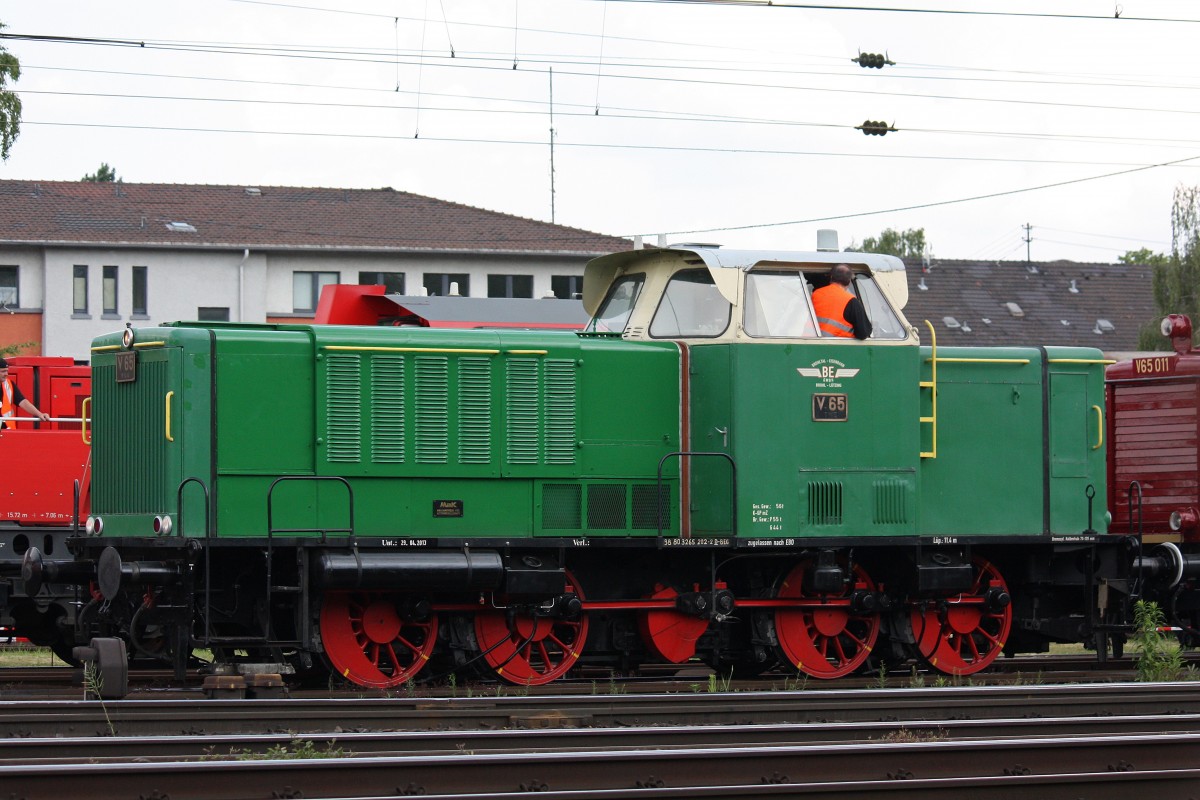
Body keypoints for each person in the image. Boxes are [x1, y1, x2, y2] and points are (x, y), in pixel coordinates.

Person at [811, 264, 873, 340]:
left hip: (808, 341)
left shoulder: (815, 294)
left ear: (831, 277)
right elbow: (863, 333)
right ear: (849, 281)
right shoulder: (851, 300)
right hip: (835, 347)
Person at [0, 357, 51, 429]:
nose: (6, 374)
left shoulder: (9, 384)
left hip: (6, 431)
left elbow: (23, 402)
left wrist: (39, 414)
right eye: (3, 371)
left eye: (7, 371)